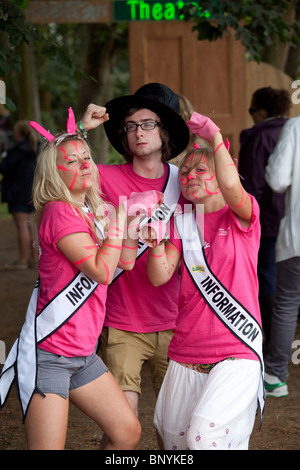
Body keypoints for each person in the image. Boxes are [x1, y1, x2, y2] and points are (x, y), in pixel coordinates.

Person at [0, 108, 143, 450]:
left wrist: (134, 232)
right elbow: (102, 271)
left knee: (127, 432)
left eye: (86, 157)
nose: (84, 164)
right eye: (72, 162)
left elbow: (124, 261)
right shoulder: (59, 212)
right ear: (55, 174)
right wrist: (120, 219)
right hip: (50, 354)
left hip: (82, 353)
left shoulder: (89, 211)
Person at [144, 112, 264, 450]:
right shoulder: (181, 225)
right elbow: (159, 276)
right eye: (185, 172)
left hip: (235, 351)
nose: (190, 176)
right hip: (185, 350)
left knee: (204, 438)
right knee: (171, 441)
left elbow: (230, 186)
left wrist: (214, 136)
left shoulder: (243, 215)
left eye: (201, 170)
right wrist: (155, 246)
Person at [79, 83, 190, 439]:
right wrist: (80, 131)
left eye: (148, 123)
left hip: (176, 323)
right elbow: (59, 173)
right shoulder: (105, 177)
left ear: (165, 131)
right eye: (130, 126)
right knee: (122, 430)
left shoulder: (186, 184)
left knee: (175, 432)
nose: (138, 132)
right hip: (122, 322)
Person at [238, 87, 291, 352]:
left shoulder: (258, 138)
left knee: (265, 277)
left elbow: (252, 185)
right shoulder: (291, 131)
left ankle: (267, 341)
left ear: (260, 111)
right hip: (292, 219)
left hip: (267, 220)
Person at [263, 115, 300, 398]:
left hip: (296, 238)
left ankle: (275, 375)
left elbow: (277, 180)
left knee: (287, 303)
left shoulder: (295, 126)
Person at [0, 120, 39, 270]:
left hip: (18, 193)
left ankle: (22, 260)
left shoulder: (16, 151)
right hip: (32, 192)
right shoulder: (35, 149)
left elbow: (5, 169)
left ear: (20, 133)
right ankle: (33, 258)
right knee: (31, 226)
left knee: (23, 226)